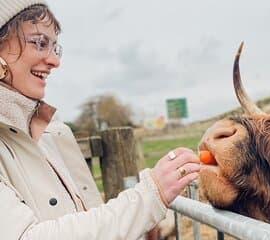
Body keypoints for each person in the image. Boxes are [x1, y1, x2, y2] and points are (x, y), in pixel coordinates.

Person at [0, 1, 201, 239]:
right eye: (40, 43)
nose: (55, 61)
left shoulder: (50, 137)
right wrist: (150, 195)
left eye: (55, 48)